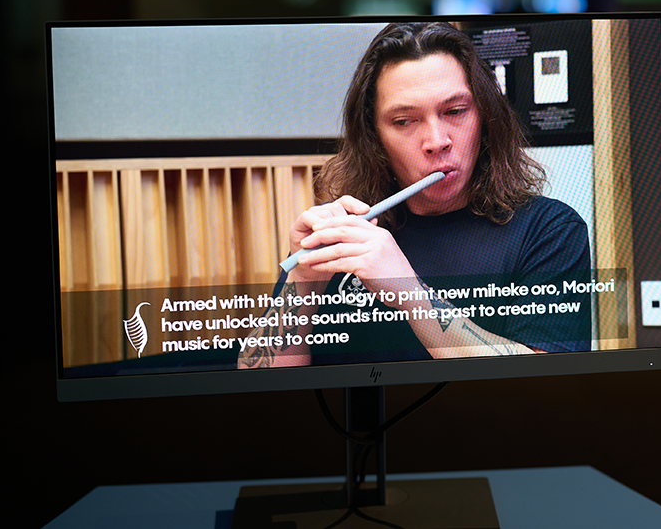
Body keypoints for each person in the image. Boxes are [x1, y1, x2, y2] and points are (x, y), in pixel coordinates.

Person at [238, 21, 590, 368]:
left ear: (485, 117)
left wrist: (409, 293)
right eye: (404, 121)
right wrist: (303, 284)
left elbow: (546, 388)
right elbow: (257, 384)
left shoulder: (548, 230)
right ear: (375, 137)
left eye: (455, 111)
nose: (437, 141)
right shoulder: (348, 230)